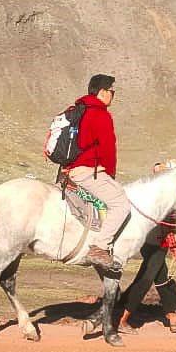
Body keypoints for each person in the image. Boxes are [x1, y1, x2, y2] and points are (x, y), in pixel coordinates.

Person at [65, 74, 130, 270]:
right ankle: (100, 248)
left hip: (69, 170)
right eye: (112, 92)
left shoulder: (76, 110)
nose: (113, 96)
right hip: (87, 171)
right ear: (102, 92)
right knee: (120, 203)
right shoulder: (101, 115)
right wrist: (110, 173)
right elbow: (108, 150)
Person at [117, 162, 176, 333]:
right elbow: (168, 226)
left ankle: (172, 316)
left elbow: (168, 225)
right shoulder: (162, 197)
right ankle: (123, 318)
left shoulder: (154, 194)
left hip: (148, 242)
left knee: (160, 276)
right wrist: (175, 247)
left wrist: (175, 246)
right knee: (146, 280)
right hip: (155, 242)